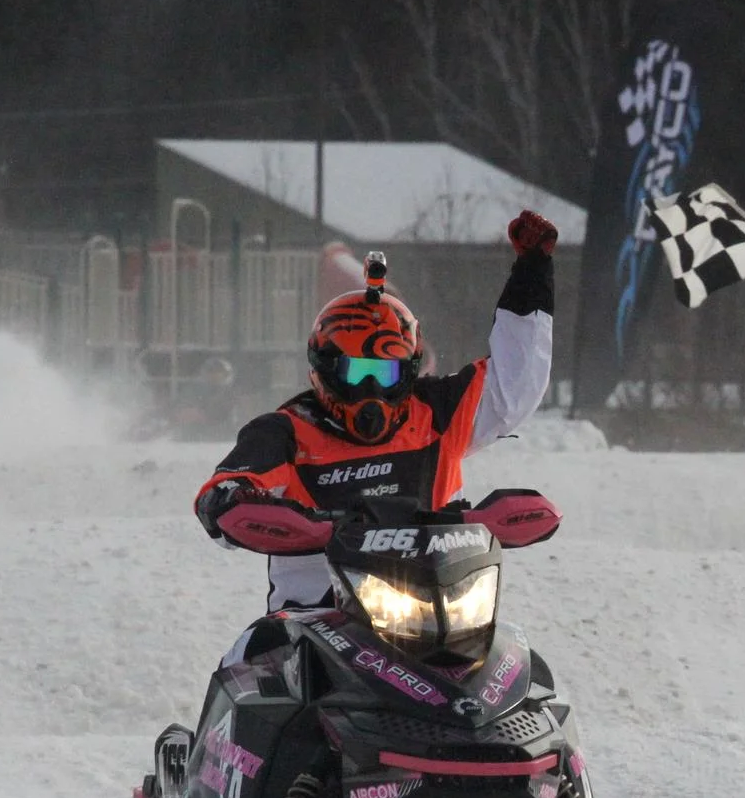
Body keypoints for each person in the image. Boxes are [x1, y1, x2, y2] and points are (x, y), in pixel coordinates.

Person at [195, 210, 557, 618]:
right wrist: (228, 501)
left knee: (519, 666)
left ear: (409, 372)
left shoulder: (438, 412)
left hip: (436, 611)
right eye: (358, 372)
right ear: (326, 369)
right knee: (246, 661)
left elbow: (515, 385)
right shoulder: (286, 431)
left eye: (385, 373)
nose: (372, 391)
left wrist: (532, 273)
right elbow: (226, 488)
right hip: (313, 618)